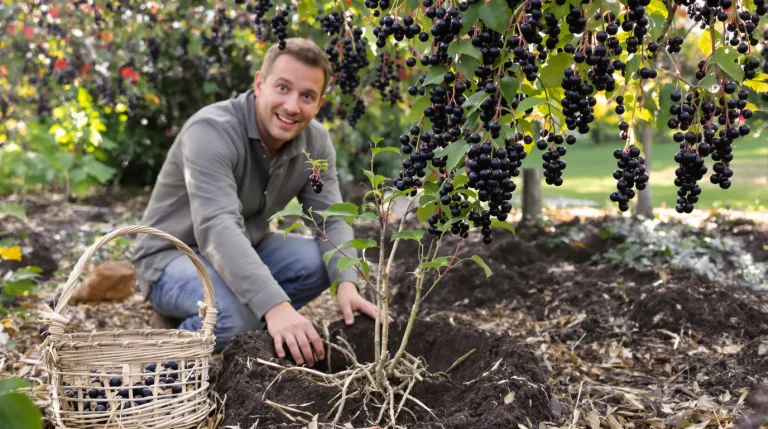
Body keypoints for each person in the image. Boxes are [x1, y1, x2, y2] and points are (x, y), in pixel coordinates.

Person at [131, 38, 378, 367]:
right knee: (232, 318)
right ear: (260, 84)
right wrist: (276, 308)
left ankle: (231, 323)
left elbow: (330, 219)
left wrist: (347, 284)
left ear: (319, 103)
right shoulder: (211, 132)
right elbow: (217, 228)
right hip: (172, 258)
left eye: (307, 96)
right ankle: (154, 361)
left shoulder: (315, 145)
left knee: (323, 262)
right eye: (283, 88)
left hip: (246, 246)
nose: (292, 106)